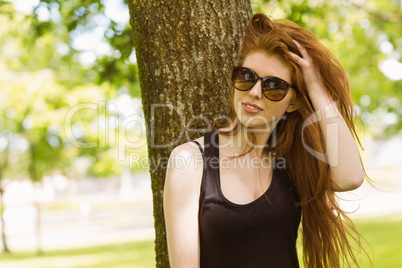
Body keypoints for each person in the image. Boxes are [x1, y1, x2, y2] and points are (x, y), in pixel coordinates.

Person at [164, 12, 367, 268]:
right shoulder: (189, 161)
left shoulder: (293, 161)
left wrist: (316, 88)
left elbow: (350, 177)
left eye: (274, 86)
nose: (254, 92)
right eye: (246, 77)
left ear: (293, 102)